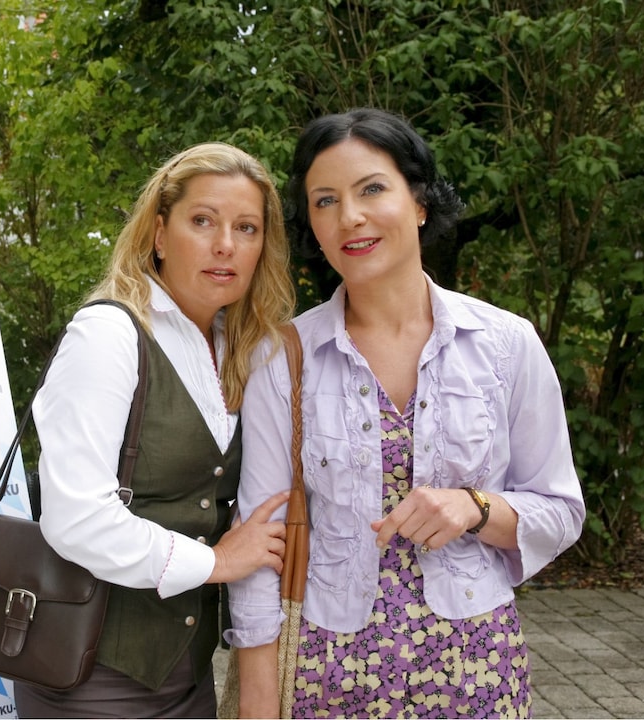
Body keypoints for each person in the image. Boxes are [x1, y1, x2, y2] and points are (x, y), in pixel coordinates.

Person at [228, 108, 586, 718]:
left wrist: (475, 508)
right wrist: (260, 704)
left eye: (371, 189)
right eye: (325, 201)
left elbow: (560, 511)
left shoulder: (506, 344)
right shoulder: (283, 357)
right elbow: (260, 550)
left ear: (419, 202)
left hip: (475, 669)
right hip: (326, 673)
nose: (350, 217)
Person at [14, 142, 298, 718]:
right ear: (160, 234)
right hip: (89, 675)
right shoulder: (109, 334)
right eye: (203, 221)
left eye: (246, 228)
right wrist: (216, 563)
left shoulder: (238, 348)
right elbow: (76, 518)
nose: (225, 244)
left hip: (186, 675)